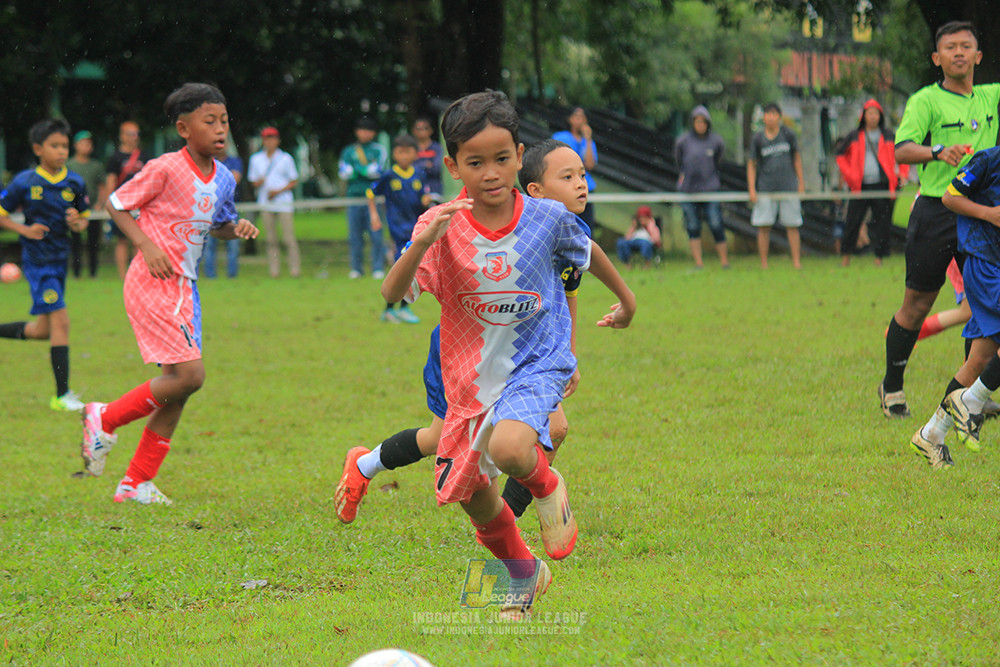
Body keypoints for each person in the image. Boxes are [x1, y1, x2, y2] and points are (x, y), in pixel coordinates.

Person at [380, 92, 636, 618]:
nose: (491, 173)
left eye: (501, 159)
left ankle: (548, 485)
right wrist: (421, 243)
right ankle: (523, 576)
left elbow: (587, 253)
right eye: (475, 162)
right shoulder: (441, 225)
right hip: (468, 378)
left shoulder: (546, 217)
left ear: (520, 157)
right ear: (453, 166)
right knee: (472, 494)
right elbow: (391, 294)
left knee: (518, 449)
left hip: (535, 362)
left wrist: (627, 301)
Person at [335, 139, 597, 528]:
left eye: (582, 175)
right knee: (437, 438)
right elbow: (396, 291)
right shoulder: (523, 225)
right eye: (567, 177)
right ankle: (364, 464)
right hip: (466, 351)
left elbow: (569, 295)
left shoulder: (560, 230)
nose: (580, 184)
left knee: (553, 429)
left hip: (526, 350)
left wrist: (569, 355)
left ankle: (507, 521)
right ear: (534, 189)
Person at [81, 83, 258, 505]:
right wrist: (146, 244)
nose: (220, 129)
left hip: (186, 288)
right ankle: (103, 417)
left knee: (180, 386)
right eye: (209, 121)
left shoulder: (225, 178)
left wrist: (238, 229)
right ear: (183, 128)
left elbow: (219, 224)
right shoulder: (164, 167)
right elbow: (118, 204)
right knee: (189, 376)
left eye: (225, 121)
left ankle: (136, 483)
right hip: (155, 279)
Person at [878, 21, 1000, 419]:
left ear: (979, 56)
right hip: (936, 210)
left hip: (981, 216)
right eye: (951, 47)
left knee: (985, 306)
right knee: (917, 303)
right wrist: (936, 151)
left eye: (967, 46)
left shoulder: (991, 97)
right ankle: (892, 386)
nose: (959, 52)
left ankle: (972, 400)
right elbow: (900, 151)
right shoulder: (925, 101)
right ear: (937, 58)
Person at [909, 140, 1000, 467]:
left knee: (979, 361)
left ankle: (932, 432)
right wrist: (988, 214)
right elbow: (949, 196)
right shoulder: (988, 160)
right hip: (984, 263)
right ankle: (973, 400)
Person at [0, 118, 90, 411]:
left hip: (60, 260)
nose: (61, 151)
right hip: (38, 265)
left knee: (43, 330)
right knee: (61, 322)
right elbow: (2, 214)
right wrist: (25, 230)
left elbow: (83, 219)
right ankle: (61, 396)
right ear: (38, 149)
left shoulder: (74, 182)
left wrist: (77, 222)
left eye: (65, 145)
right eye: (55, 146)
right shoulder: (25, 182)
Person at [835, 99, 909, 268]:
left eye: (876, 113)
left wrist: (902, 174)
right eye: (870, 113)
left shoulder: (889, 135)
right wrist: (849, 174)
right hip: (859, 187)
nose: (873, 116)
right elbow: (840, 155)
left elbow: (903, 154)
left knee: (882, 223)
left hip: (882, 186)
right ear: (863, 115)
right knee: (853, 221)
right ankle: (846, 257)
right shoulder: (854, 135)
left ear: (880, 116)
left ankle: (879, 258)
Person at [367, 134, 432, 323]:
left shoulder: (419, 174)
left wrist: (426, 201)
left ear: (415, 153)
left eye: (408, 152)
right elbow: (371, 192)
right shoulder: (389, 175)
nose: (404, 156)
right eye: (400, 152)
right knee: (403, 267)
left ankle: (401, 308)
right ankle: (390, 309)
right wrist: (374, 215)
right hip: (397, 228)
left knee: (412, 268)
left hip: (415, 228)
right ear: (395, 154)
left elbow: (422, 200)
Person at [747, 103, 805, 270]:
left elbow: (796, 158)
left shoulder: (788, 134)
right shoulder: (758, 138)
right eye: (768, 114)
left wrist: (801, 182)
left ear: (779, 117)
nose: (771, 117)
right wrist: (752, 188)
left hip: (788, 187)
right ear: (764, 117)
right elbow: (751, 163)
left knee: (792, 225)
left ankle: (796, 262)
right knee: (763, 226)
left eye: (774, 114)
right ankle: (764, 264)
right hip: (765, 187)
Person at [675, 106, 729, 269]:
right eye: (697, 121)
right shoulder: (683, 141)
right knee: (692, 225)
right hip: (689, 190)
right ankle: (698, 263)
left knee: (715, 223)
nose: (700, 125)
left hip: (710, 189)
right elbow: (679, 161)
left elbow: (719, 161)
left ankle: (724, 262)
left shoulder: (716, 141)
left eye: (703, 122)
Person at [339, 117, 388, 279]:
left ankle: (377, 267)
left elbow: (377, 172)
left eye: (367, 130)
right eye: (361, 130)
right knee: (354, 236)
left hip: (373, 198)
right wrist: (364, 170)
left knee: (376, 234)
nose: (364, 133)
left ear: (373, 133)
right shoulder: (348, 151)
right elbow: (345, 173)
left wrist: (357, 170)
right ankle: (356, 268)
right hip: (354, 199)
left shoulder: (379, 150)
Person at [248, 126, 300, 278]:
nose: (270, 142)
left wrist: (278, 191)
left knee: (288, 238)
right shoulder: (256, 159)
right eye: (267, 139)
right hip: (266, 202)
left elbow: (293, 180)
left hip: (284, 202)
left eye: (273, 138)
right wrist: (260, 182)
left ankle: (294, 269)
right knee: (271, 239)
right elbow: (253, 181)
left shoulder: (285, 158)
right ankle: (274, 271)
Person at [105, 121, 151, 280]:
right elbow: (111, 180)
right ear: (122, 135)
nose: (134, 137)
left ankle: (137, 274)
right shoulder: (114, 158)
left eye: (137, 134)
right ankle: (123, 275)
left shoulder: (144, 156)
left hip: (140, 204)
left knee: (139, 240)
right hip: (121, 205)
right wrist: (110, 203)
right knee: (122, 240)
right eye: (131, 134)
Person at [202, 134, 244, 278]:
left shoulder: (235, 161)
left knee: (233, 244)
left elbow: (234, 180)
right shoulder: (207, 162)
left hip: (230, 209)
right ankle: (210, 276)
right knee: (209, 245)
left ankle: (232, 276)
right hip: (210, 209)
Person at [66, 130, 106, 278]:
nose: (86, 146)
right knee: (75, 241)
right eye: (83, 143)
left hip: (92, 210)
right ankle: (76, 272)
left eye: (89, 143)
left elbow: (102, 186)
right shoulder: (69, 165)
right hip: (74, 209)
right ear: (76, 145)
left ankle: (93, 273)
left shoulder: (96, 165)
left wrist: (99, 204)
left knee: (93, 243)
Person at [552, 107, 598, 228]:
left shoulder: (588, 142)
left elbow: (590, 164)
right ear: (570, 119)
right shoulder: (561, 137)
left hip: (585, 187)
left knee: (586, 225)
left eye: (582, 117)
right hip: (566, 186)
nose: (580, 121)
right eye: (577, 117)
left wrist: (587, 139)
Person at [412, 116, 444, 201]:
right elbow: (409, 168)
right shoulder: (411, 149)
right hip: (415, 189)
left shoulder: (437, 148)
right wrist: (426, 165)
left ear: (431, 131)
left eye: (425, 128)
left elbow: (437, 168)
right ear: (414, 131)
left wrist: (418, 164)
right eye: (419, 129)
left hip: (434, 189)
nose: (422, 131)